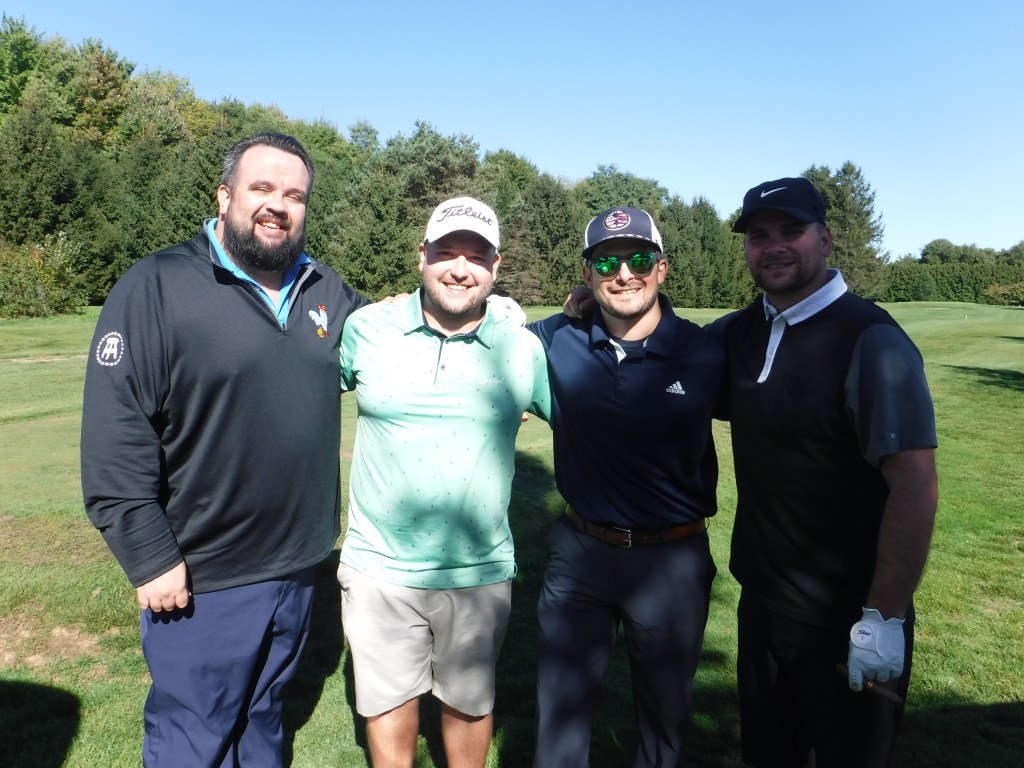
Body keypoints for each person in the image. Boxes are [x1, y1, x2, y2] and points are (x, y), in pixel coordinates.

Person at [81, 132, 371, 767]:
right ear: (224, 195)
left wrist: (505, 322)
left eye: (294, 195)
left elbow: (399, 332)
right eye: (261, 188)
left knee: (263, 724)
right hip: (202, 576)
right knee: (193, 740)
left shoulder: (324, 288)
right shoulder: (158, 285)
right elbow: (116, 431)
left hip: (298, 567)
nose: (278, 206)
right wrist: (150, 556)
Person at [710, 177, 939, 767]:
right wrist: (587, 305)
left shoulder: (871, 339)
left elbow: (914, 483)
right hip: (763, 604)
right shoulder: (743, 330)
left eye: (792, 231)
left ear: (826, 239)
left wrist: (883, 618)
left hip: (847, 618)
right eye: (759, 236)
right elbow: (664, 350)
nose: (774, 246)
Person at [336, 196, 550, 768]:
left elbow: (587, 425)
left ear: (496, 266)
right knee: (387, 707)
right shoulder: (367, 328)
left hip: (478, 571)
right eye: (446, 252)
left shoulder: (521, 346)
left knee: (470, 706)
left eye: (476, 256)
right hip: (378, 568)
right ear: (422, 256)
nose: (460, 268)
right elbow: (299, 392)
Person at [529, 206, 724, 766]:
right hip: (581, 552)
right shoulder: (557, 337)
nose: (623, 274)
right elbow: (482, 328)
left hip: (672, 560)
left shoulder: (706, 349)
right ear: (586, 274)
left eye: (639, 259)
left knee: (665, 718)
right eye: (605, 263)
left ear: (662, 268)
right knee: (559, 714)